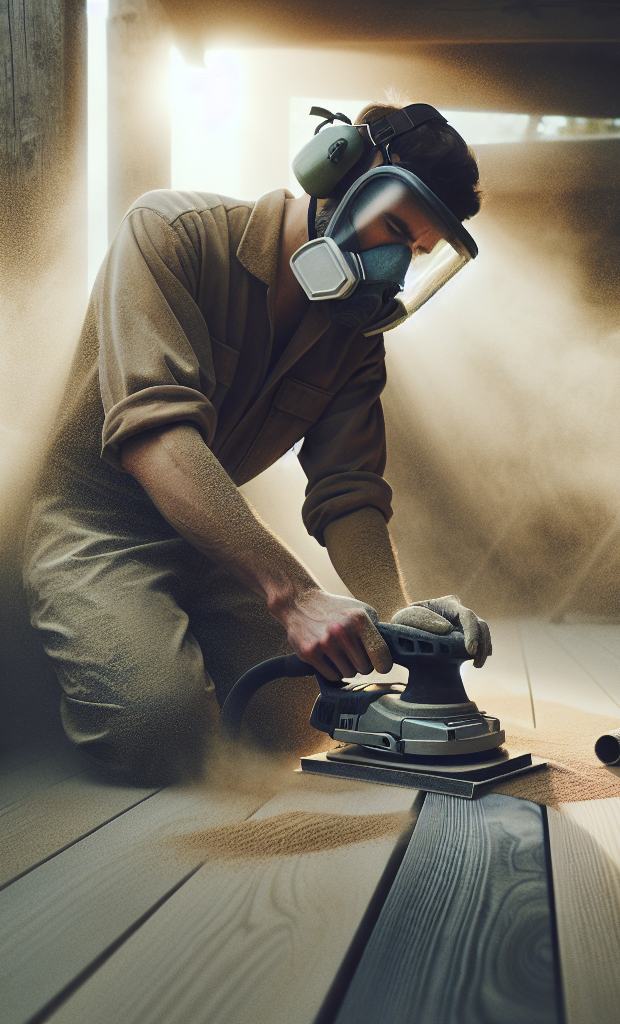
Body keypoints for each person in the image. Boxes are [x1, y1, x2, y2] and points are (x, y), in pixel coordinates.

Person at [22, 102, 491, 783]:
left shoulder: (353, 341)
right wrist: (296, 596)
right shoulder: (170, 235)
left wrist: (401, 618)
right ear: (338, 172)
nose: (393, 263)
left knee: (298, 720)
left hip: (212, 540)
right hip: (95, 524)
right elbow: (154, 436)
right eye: (392, 227)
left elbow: (347, 492)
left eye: (414, 251)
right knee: (163, 735)